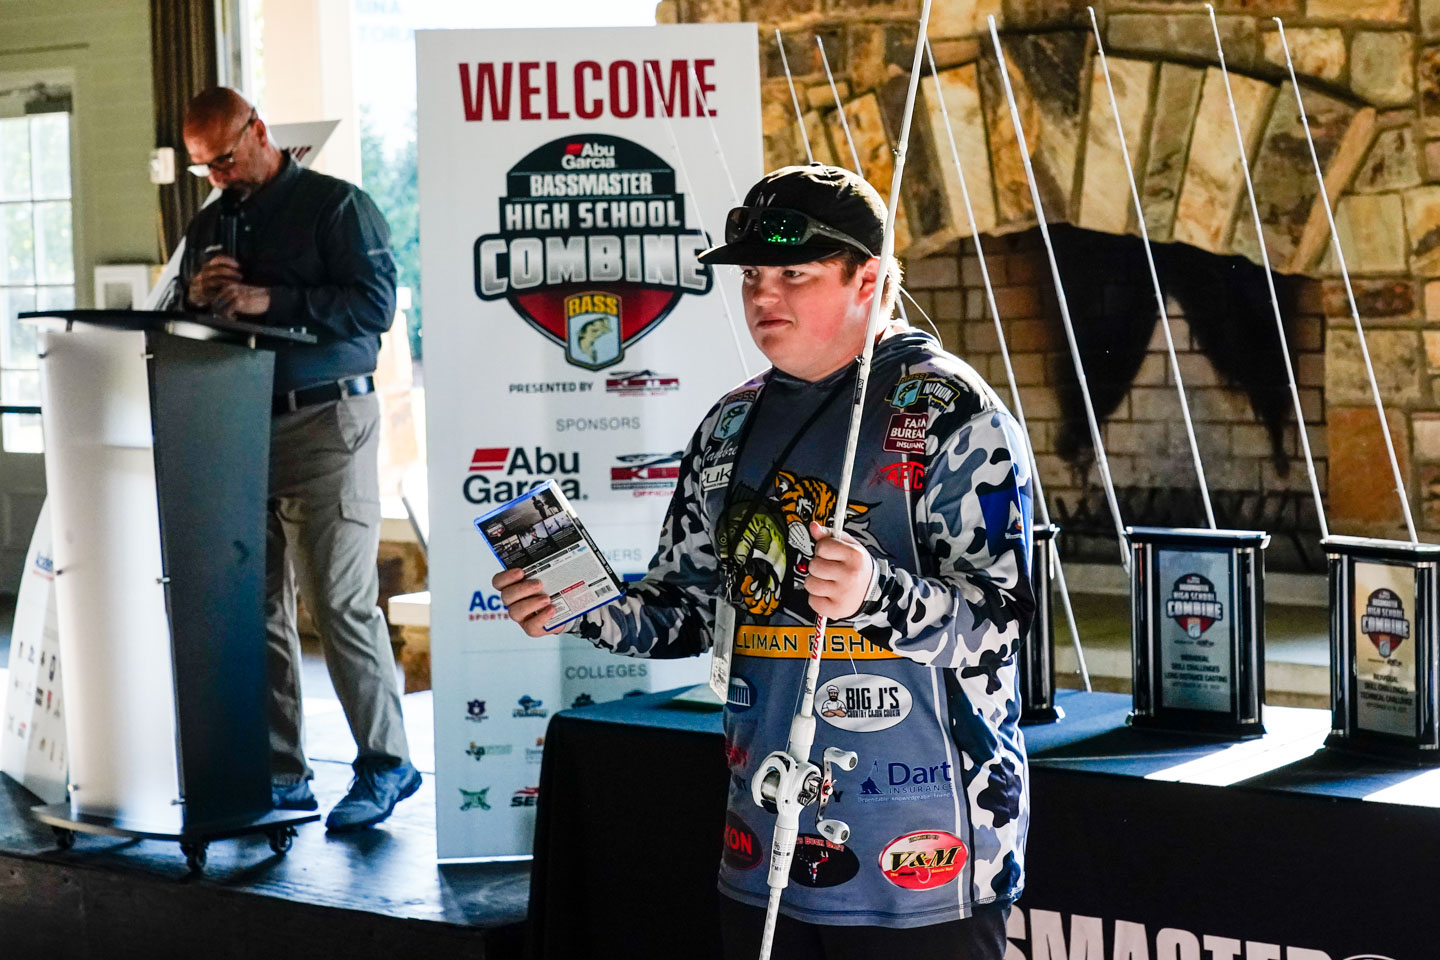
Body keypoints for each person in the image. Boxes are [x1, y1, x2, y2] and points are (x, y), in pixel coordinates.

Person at [495, 165, 1033, 958]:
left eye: (793, 275)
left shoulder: (951, 410)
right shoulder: (731, 422)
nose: (762, 295)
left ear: (868, 279)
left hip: (928, 859)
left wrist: (876, 592)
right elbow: (689, 609)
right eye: (751, 276)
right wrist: (585, 608)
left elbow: (1005, 621)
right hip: (763, 845)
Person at [178, 87, 419, 832]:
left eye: (225, 159)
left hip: (327, 421)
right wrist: (197, 299)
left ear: (259, 130)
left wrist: (268, 301)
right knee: (255, 607)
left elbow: (374, 308)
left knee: (338, 600)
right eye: (203, 167)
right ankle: (283, 772)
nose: (218, 177)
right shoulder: (211, 221)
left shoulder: (335, 206)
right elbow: (186, 316)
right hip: (238, 423)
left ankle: (386, 763)